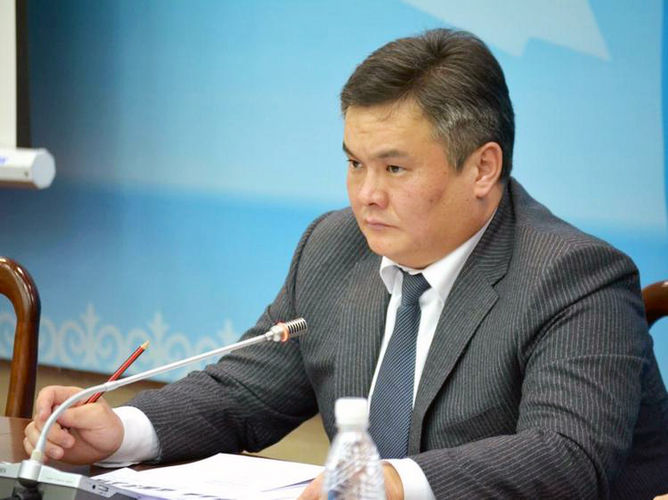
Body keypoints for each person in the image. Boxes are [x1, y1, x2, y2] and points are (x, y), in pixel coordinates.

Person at [24, 29, 668, 499]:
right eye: (355, 164)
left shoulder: (575, 276)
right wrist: (122, 431)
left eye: (395, 167)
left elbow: (566, 456)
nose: (366, 195)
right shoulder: (334, 246)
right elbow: (244, 393)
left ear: (482, 168)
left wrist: (393, 484)